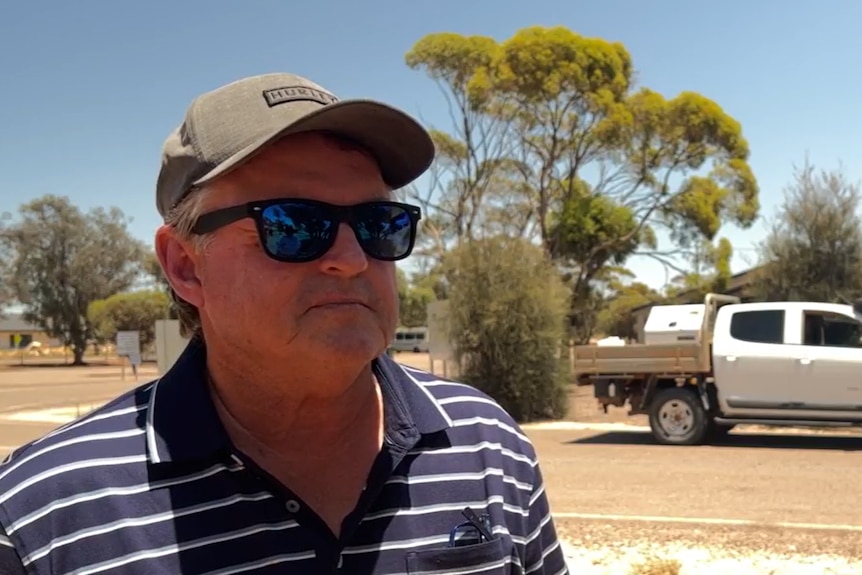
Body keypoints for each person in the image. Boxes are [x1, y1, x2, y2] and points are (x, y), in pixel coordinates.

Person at [0, 73, 569, 575]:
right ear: (184, 265)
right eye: (293, 224)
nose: (350, 259)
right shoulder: (43, 513)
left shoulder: (488, 444)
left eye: (378, 223)